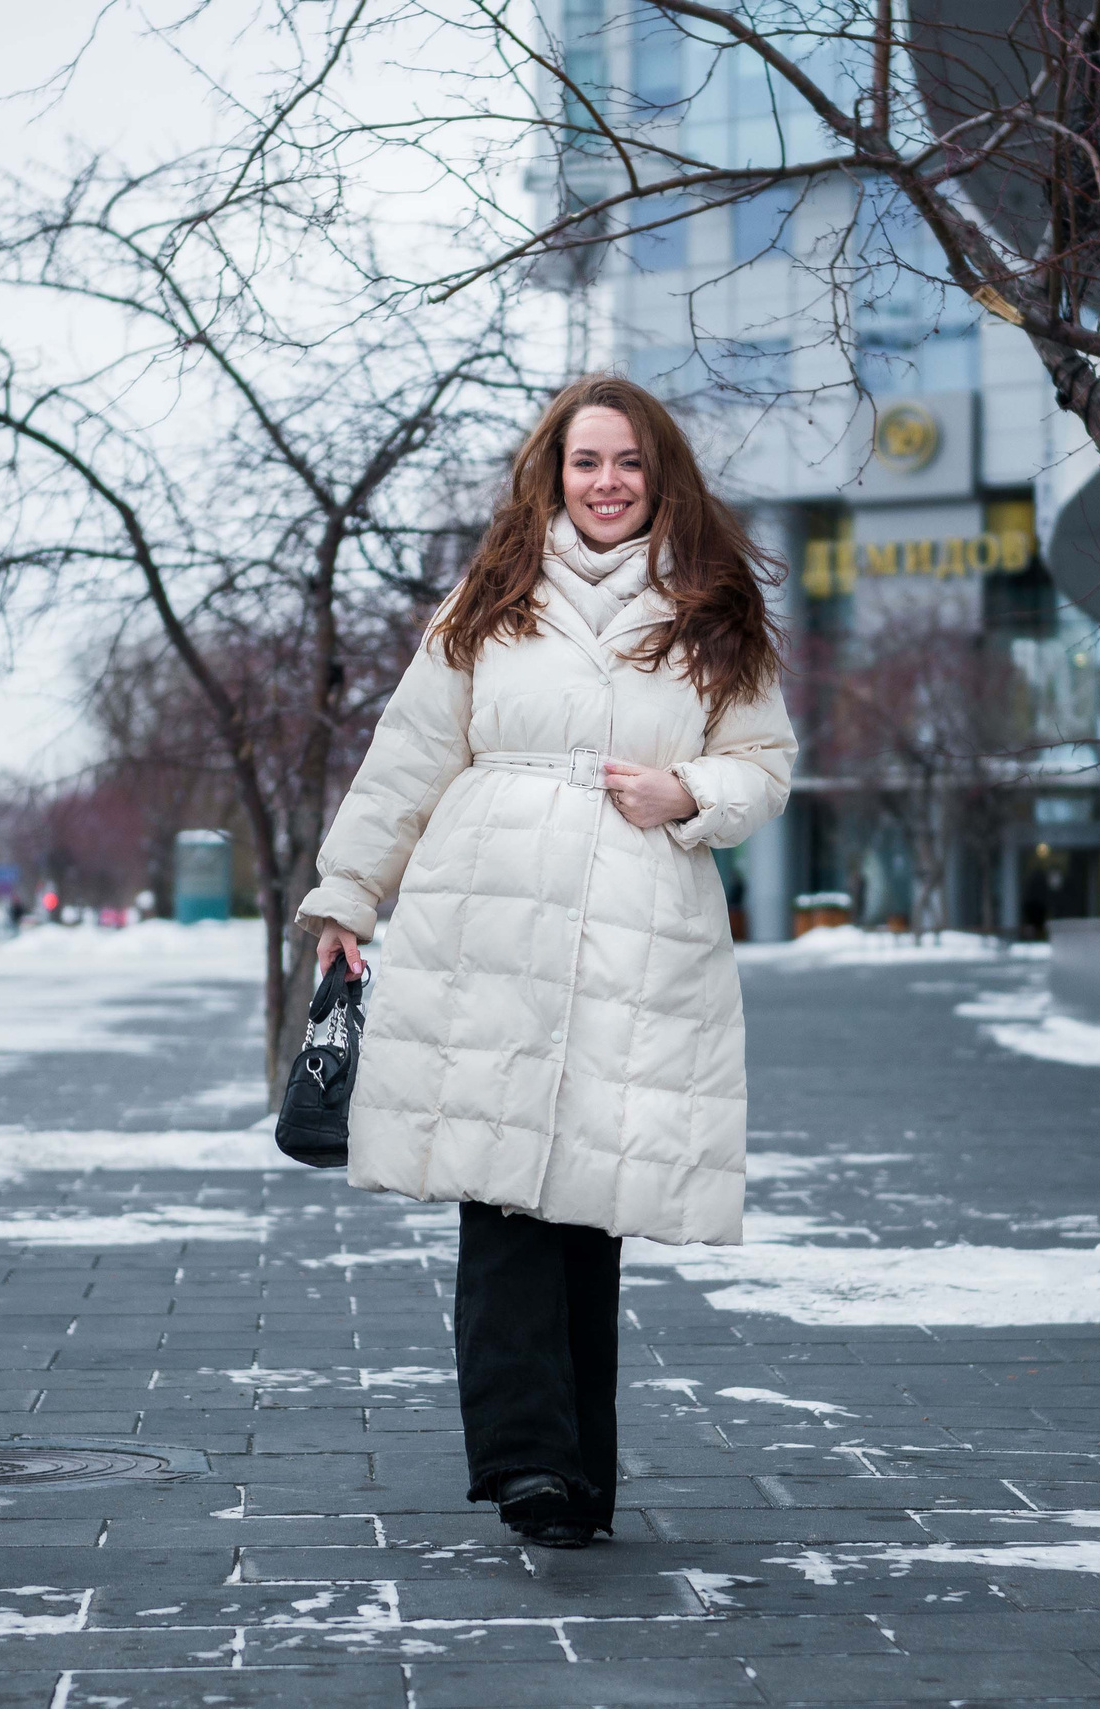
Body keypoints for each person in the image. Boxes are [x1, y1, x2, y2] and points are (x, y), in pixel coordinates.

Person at [296, 376, 796, 1549]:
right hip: (490, 923)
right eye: (585, 462)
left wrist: (693, 790)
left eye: (627, 461)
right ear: (551, 474)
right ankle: (527, 1465)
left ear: (659, 473)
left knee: (589, 1206)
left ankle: (581, 1475)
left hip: (637, 925)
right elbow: (410, 754)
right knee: (504, 1196)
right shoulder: (490, 600)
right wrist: (347, 891)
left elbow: (763, 763)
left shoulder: (713, 609)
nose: (607, 482)